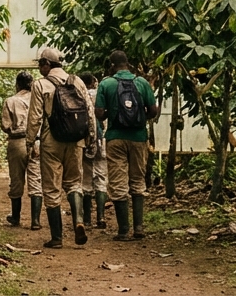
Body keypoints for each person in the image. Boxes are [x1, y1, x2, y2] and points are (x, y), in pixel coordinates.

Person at [26, 47, 95, 248]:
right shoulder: (77, 81)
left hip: (51, 141)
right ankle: (79, 221)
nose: (39, 67)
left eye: (40, 64)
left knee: (51, 187)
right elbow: (89, 112)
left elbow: (34, 117)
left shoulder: (40, 85)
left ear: (47, 64)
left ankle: (57, 238)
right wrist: (91, 137)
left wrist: (30, 142)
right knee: (74, 183)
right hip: (75, 140)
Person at [93, 49, 158, 241]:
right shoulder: (142, 82)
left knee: (118, 182)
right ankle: (139, 228)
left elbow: (98, 112)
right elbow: (153, 110)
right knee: (138, 180)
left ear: (112, 65)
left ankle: (123, 230)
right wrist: (138, 118)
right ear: (128, 64)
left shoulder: (106, 83)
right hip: (138, 137)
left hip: (115, 137)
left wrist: (113, 115)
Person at [0, 71, 43, 229]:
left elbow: (5, 125)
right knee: (36, 179)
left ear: (17, 84)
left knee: (16, 180)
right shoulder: (39, 99)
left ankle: (16, 217)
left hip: (17, 141)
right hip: (37, 143)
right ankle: (36, 221)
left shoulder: (10, 101)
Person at [80, 73, 108, 230]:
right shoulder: (100, 95)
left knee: (86, 179)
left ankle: (87, 219)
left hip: (85, 141)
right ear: (93, 83)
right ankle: (101, 216)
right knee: (101, 178)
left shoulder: (79, 95)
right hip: (102, 140)